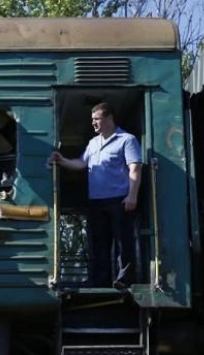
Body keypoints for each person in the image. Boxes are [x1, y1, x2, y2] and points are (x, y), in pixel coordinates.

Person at [49, 102, 142, 288]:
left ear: (109, 118)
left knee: (123, 242)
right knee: (99, 243)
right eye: (92, 120)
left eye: (97, 119)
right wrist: (62, 160)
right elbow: (80, 164)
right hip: (96, 201)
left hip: (119, 200)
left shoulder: (127, 139)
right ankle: (101, 280)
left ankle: (124, 279)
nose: (93, 123)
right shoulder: (93, 143)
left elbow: (135, 168)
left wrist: (132, 195)